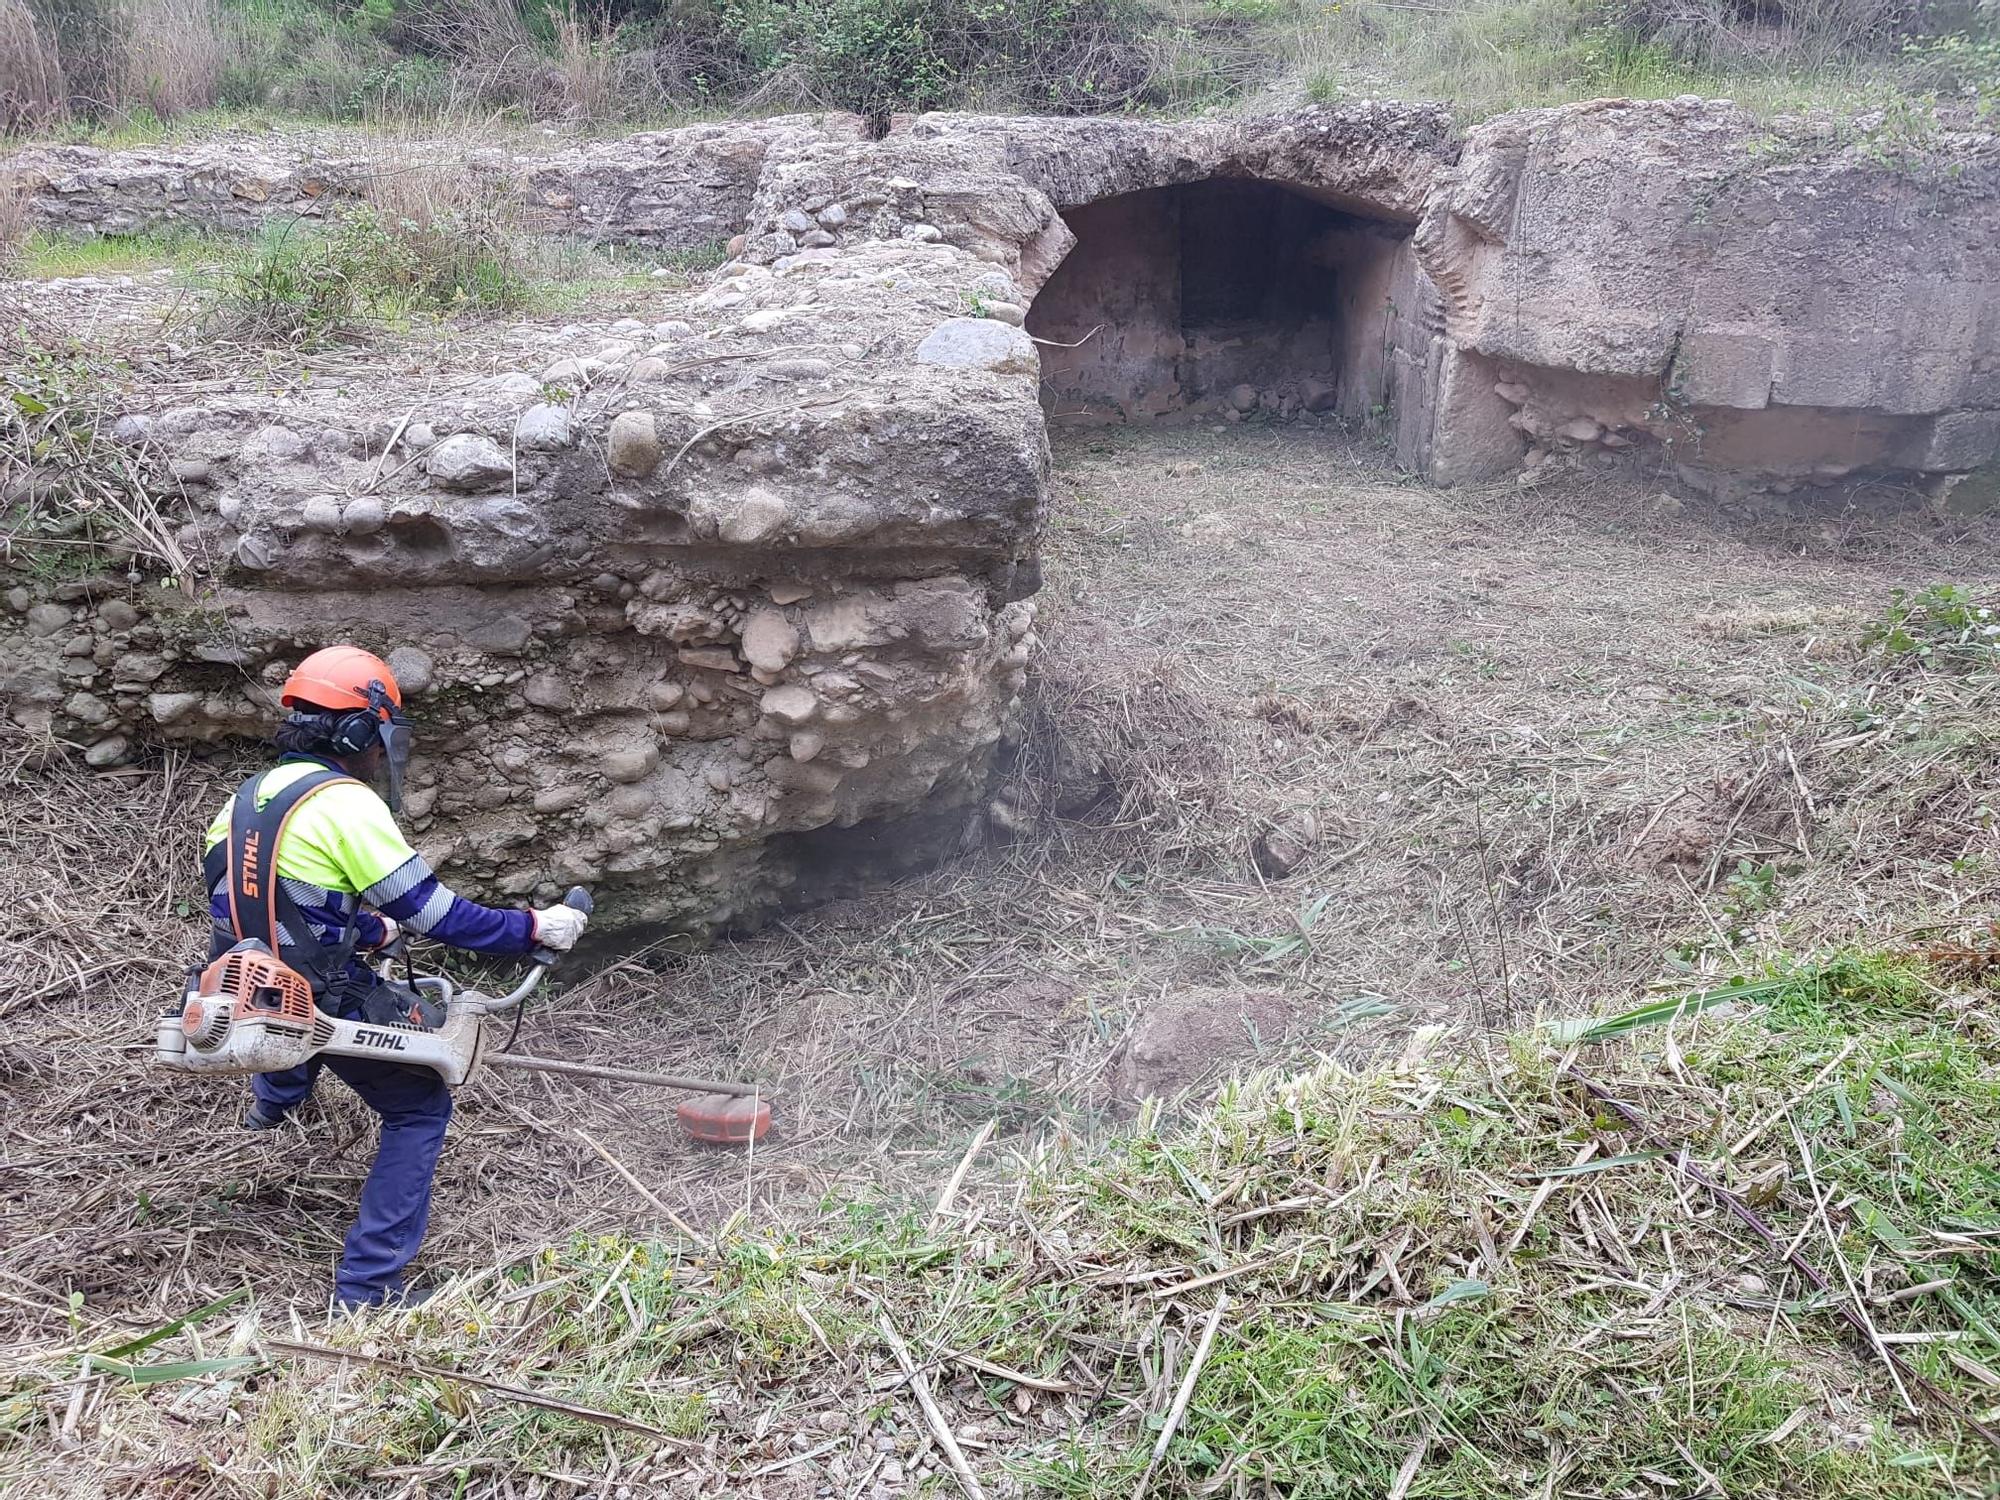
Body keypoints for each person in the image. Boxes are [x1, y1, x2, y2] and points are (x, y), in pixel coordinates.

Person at [201, 644, 588, 1310]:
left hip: (234, 983)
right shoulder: (344, 803)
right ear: (358, 733)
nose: (380, 754)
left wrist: (362, 930)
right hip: (310, 993)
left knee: (302, 1001)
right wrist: (536, 928)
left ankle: (271, 1107)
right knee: (420, 1108)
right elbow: (439, 916)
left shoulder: (245, 799)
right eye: (378, 739)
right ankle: (369, 1288)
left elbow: (247, 903)